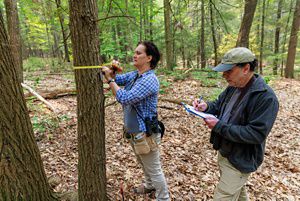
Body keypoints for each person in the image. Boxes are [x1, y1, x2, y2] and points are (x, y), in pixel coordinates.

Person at [193, 47, 279, 200]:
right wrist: (206, 107)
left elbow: (256, 134)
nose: (224, 75)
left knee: (224, 195)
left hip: (240, 159)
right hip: (225, 151)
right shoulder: (234, 86)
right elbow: (219, 105)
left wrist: (219, 126)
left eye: (229, 71)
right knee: (238, 193)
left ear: (246, 68)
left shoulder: (266, 98)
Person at [102, 41, 170, 201]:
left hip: (145, 132)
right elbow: (117, 79)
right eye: (135, 52)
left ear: (149, 58)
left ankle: (163, 198)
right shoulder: (136, 75)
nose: (134, 55)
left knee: (154, 169)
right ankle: (149, 185)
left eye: (139, 53)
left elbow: (124, 98)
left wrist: (110, 80)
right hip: (134, 131)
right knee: (142, 161)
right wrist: (111, 71)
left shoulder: (149, 80)